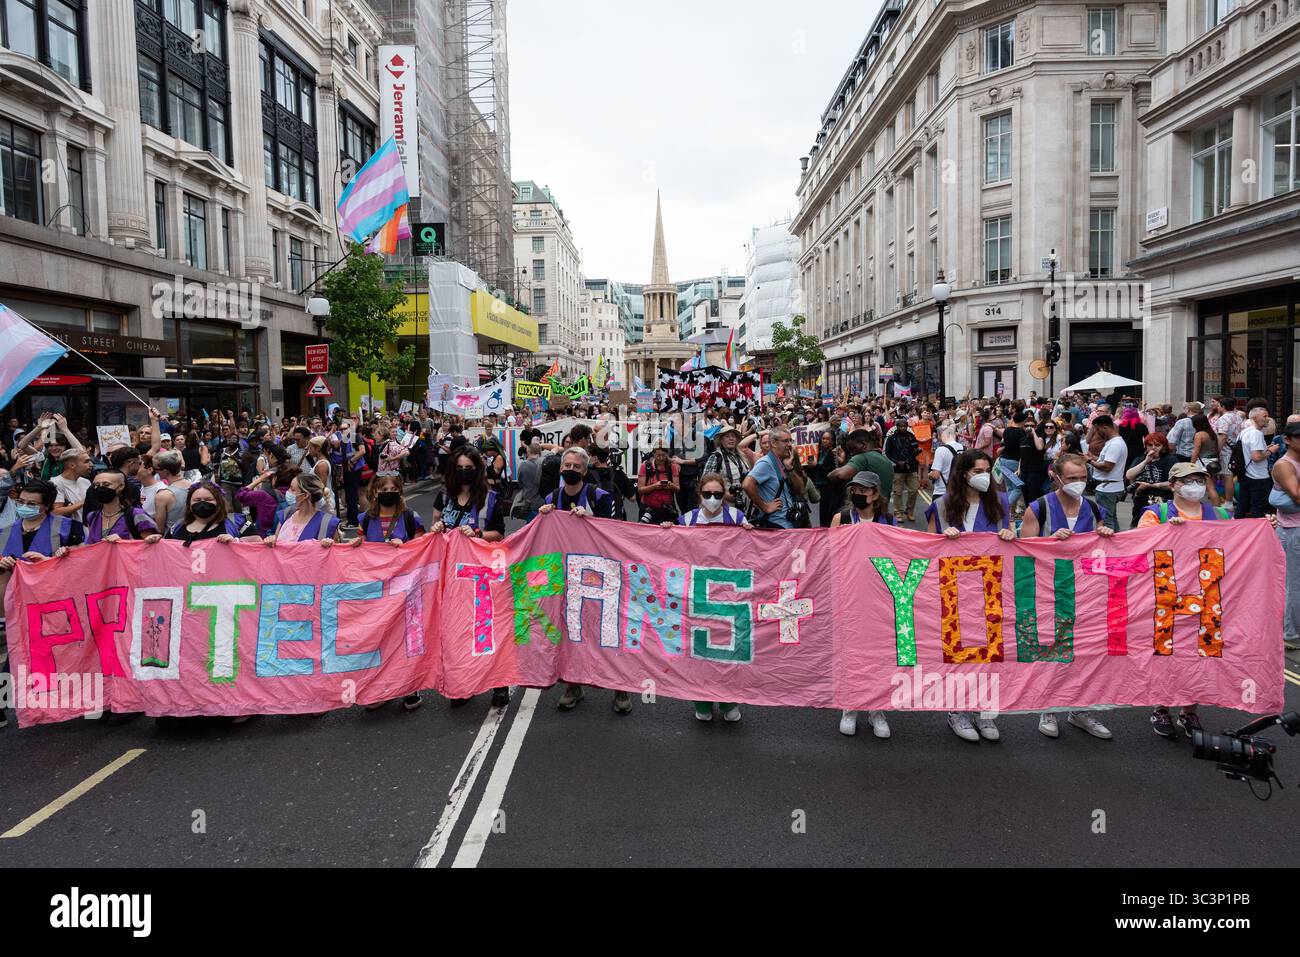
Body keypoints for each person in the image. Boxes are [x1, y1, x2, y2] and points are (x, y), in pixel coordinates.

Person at [1018, 453, 1116, 741]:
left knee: (1086, 652)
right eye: (1072, 478)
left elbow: (1105, 549)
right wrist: (1048, 542)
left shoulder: (1094, 508)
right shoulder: (1039, 508)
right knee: (1055, 650)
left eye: (1083, 478)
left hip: (1087, 590)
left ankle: (1081, 709)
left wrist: (1106, 534)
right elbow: (1025, 551)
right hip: (1050, 590)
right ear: (1056, 477)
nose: (1079, 483)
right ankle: (1049, 707)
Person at [1136, 462, 1232, 739]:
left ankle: (1190, 711)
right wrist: (1165, 533)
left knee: (1201, 653)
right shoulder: (1158, 514)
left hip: (1208, 595)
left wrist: (1264, 527)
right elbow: (1138, 546)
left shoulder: (1220, 515)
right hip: (1167, 595)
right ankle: (1161, 707)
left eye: (1199, 480)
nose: (1195, 486)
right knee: (1167, 649)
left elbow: (1240, 546)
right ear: (1173, 484)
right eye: (1188, 480)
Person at [926, 451, 1014, 744]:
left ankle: (985, 712)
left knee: (990, 652)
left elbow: (1012, 540)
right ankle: (958, 711)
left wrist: (1009, 537)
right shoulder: (942, 506)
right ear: (964, 473)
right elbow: (925, 549)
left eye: (988, 469)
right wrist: (941, 540)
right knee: (958, 652)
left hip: (990, 588)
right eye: (979, 469)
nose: (985, 475)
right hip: (953, 590)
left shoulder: (1000, 503)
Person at [537, 447, 623, 713]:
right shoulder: (552, 498)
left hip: (601, 576)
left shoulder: (600, 496)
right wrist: (542, 519)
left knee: (608, 631)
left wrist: (592, 520)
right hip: (569, 579)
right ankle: (573, 685)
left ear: (585, 471)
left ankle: (620, 687)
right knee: (572, 631)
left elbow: (617, 533)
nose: (571, 470)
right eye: (567, 466)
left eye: (577, 467)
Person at [665, 473, 753, 724]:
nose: (712, 499)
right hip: (698, 593)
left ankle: (728, 702)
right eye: (707, 494)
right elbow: (672, 552)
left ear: (724, 494)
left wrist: (751, 534)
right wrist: (667, 532)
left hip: (729, 594)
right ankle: (701, 700)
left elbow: (751, 553)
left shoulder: (736, 517)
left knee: (729, 651)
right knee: (700, 651)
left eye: (717, 494)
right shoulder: (688, 519)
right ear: (699, 495)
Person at [351, 473, 431, 711]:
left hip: (406, 590)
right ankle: (381, 689)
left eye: (392, 488)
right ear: (374, 492)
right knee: (379, 639)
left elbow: (423, 548)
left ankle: (409, 686)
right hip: (376, 591)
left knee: (407, 640)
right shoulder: (365, 519)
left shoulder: (410, 518)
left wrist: (405, 548)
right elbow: (359, 549)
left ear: (400, 491)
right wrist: (355, 547)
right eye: (383, 488)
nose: (388, 491)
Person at [831, 471, 895, 741]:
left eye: (864, 490)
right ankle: (850, 707)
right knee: (850, 652)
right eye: (854, 489)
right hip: (848, 594)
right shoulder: (842, 518)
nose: (859, 494)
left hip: (880, 597)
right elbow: (828, 554)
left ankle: (877, 709)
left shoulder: (889, 520)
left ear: (875, 494)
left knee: (880, 655)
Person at [1270, 421, 1300, 652]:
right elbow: (1297, 496)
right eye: (1298, 437)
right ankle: (1290, 632)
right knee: (1294, 583)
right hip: (1292, 531)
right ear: (1288, 440)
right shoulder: (1284, 465)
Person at [742, 427, 807, 529]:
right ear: (773, 443)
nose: (789, 445)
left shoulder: (782, 462)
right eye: (785, 441)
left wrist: (790, 469)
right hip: (775, 525)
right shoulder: (766, 463)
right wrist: (765, 507)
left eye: (790, 440)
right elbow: (747, 484)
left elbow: (800, 490)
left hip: (787, 523)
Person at [263, 472, 341, 546]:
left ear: (305, 495)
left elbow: (336, 555)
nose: (288, 492)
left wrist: (328, 546)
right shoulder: (286, 514)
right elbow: (275, 543)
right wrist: (271, 540)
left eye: (292, 489)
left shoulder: (327, 523)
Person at [82, 470, 157, 543]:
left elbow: (150, 546)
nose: (100, 488)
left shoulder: (137, 515)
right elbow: (91, 547)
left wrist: (123, 542)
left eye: (106, 484)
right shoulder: (92, 517)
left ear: (121, 486)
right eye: (96, 485)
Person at [1124, 433, 1177, 528]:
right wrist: (1145, 461)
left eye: (1157, 445)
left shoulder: (1170, 460)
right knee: (1138, 527)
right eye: (1150, 445)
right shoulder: (1140, 459)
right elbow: (1129, 475)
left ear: (1163, 447)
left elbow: (1173, 483)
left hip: (1162, 502)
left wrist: (1152, 485)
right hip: (1141, 501)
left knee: (1159, 528)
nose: (1153, 448)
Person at [1085, 415, 1127, 532]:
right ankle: (1118, 543)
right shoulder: (1113, 442)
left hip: (1108, 488)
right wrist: (1092, 457)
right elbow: (1104, 461)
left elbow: (1107, 467)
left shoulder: (1115, 444)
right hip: (1108, 487)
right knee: (1112, 518)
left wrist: (1089, 460)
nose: (1096, 433)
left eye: (1097, 430)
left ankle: (1111, 546)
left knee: (1107, 521)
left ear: (1104, 428)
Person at [1235, 405, 1273, 519]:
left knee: (1242, 507)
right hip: (1259, 477)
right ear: (1255, 418)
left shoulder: (1244, 432)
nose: (1268, 418)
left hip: (1245, 474)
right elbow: (1256, 457)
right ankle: (1258, 533)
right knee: (1259, 510)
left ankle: (1237, 530)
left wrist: (1266, 449)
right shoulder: (1257, 433)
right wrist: (1271, 451)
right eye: (1264, 416)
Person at [702, 425, 750, 508]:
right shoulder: (716, 457)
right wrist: (725, 495)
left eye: (733, 436)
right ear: (721, 440)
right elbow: (705, 482)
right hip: (721, 506)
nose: (731, 439)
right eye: (727, 436)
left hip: (741, 503)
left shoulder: (741, 457)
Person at [884, 418, 921, 523]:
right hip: (898, 469)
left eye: (905, 426)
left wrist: (917, 451)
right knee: (897, 492)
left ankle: (909, 511)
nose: (903, 428)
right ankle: (898, 513)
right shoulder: (891, 439)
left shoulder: (911, 436)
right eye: (900, 426)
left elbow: (915, 449)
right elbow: (887, 453)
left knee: (914, 490)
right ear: (897, 426)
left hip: (911, 467)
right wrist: (897, 462)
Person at [637, 443, 681, 525]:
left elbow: (678, 489)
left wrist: (671, 485)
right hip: (648, 508)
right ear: (653, 454)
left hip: (667, 508)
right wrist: (654, 486)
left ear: (667, 454)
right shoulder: (646, 466)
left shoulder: (672, 467)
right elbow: (640, 490)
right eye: (658, 455)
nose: (661, 458)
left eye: (663, 455)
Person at [151, 450, 193, 534]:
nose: (154, 471)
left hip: (173, 539)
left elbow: (160, 529)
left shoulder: (163, 496)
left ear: (166, 471)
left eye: (155, 468)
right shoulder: (194, 486)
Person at [928, 424, 963, 498]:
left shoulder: (941, 450)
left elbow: (935, 475)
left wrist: (929, 475)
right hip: (960, 491)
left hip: (943, 491)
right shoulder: (964, 448)